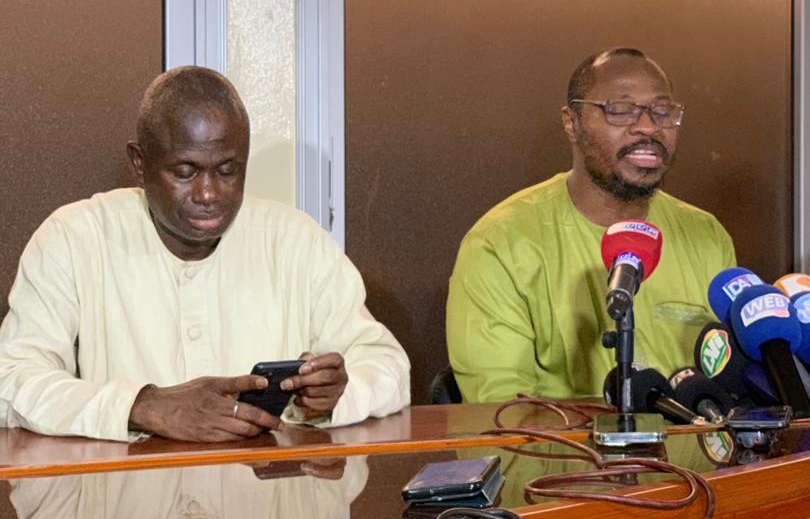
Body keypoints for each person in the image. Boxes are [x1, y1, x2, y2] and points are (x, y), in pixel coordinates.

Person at [0, 68, 409, 441]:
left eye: (228, 170)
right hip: (125, 508)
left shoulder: (295, 240)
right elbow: (11, 380)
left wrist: (338, 392)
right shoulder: (74, 238)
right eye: (185, 172)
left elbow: (389, 367)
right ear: (140, 164)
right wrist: (141, 406)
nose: (209, 193)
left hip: (267, 506)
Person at [446, 47, 735, 404]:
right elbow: (502, 413)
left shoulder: (707, 237)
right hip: (566, 458)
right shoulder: (500, 243)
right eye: (619, 109)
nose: (648, 127)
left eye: (662, 111)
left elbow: (731, 383)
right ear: (572, 123)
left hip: (696, 458)